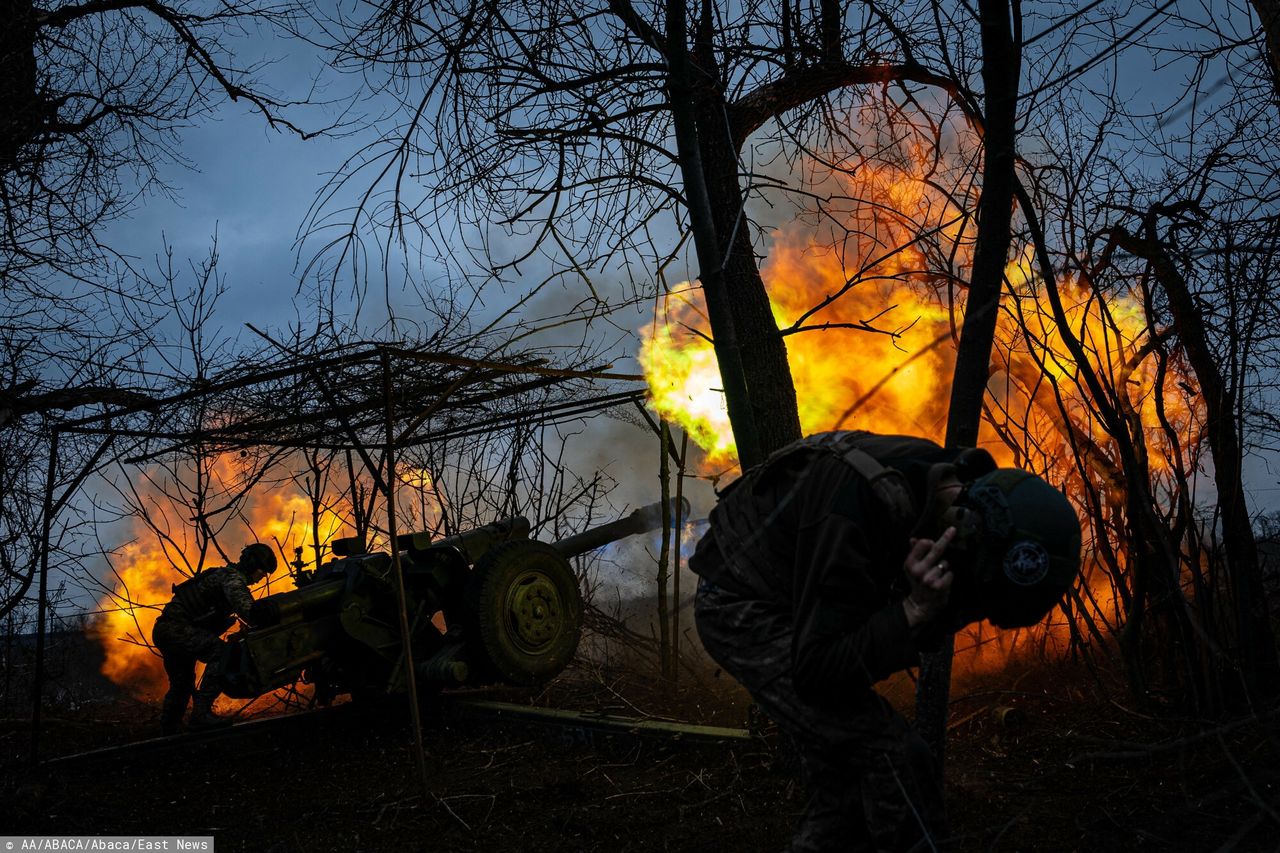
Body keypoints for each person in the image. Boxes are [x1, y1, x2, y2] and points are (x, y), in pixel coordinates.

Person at [689, 431, 1081, 852]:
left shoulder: (961, 496)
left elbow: (915, 621)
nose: (973, 611)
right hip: (741, 603)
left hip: (807, 603)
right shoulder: (859, 506)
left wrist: (917, 613)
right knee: (890, 754)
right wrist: (911, 611)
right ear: (961, 535)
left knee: (845, 789)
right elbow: (817, 671)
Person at [152, 542, 278, 734]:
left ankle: (168, 729)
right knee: (221, 653)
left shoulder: (222, 575)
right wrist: (269, 613)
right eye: (262, 571)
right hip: (177, 629)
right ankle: (200, 715)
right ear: (253, 565)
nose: (262, 578)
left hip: (166, 630)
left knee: (183, 683)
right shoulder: (232, 579)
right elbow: (250, 613)